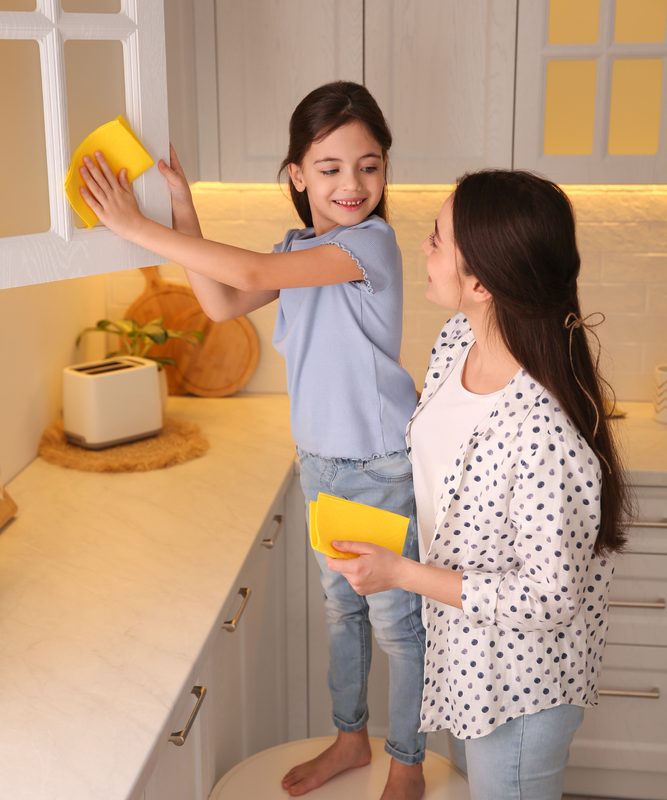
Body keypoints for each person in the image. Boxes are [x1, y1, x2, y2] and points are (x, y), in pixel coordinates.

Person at [79, 81, 427, 799]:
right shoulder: (303, 244)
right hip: (323, 464)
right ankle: (349, 741)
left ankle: (407, 765)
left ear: (385, 169)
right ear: (297, 176)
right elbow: (221, 298)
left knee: (397, 625)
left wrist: (134, 227)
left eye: (368, 165)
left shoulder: (371, 245)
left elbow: (250, 273)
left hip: (378, 466)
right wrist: (180, 206)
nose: (351, 183)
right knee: (343, 614)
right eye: (329, 168)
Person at [328, 170, 629, 800]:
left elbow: (549, 600)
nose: (424, 250)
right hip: (467, 655)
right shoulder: (458, 339)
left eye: (437, 240)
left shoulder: (543, 430)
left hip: (521, 688)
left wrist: (402, 575)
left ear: (482, 283)